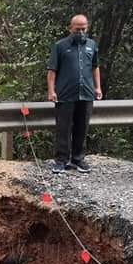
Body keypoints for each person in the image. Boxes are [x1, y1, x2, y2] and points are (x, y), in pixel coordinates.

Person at [46, 14, 103, 174]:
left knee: (82, 127)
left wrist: (98, 87)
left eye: (83, 29)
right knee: (63, 129)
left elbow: (95, 67)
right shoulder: (60, 46)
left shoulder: (92, 45)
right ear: (70, 28)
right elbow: (52, 70)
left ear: (87, 28)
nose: (81, 32)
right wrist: (51, 90)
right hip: (65, 94)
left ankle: (78, 159)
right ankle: (61, 160)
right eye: (78, 29)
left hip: (86, 93)